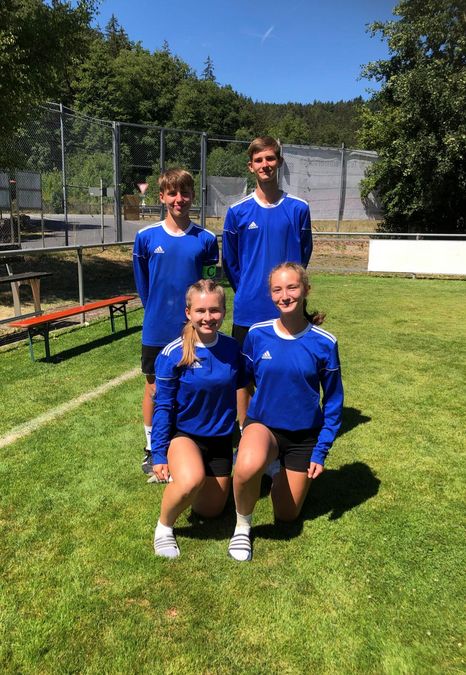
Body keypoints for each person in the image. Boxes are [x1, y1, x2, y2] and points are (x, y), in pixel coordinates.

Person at [227, 263, 344, 562]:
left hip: (303, 436)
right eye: (277, 289)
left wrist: (321, 450)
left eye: (292, 287)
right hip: (264, 426)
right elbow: (243, 381)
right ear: (270, 294)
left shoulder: (325, 343)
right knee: (246, 466)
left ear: (305, 290)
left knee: (287, 515)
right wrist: (244, 426)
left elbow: (333, 401)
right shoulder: (257, 334)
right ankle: (242, 527)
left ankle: (277, 468)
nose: (285, 295)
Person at [133, 169, 219, 480]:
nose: (179, 199)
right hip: (157, 327)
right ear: (162, 197)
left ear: (193, 196)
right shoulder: (146, 237)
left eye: (184, 193)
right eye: (172, 193)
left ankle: (188, 443)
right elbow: (143, 285)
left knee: (192, 383)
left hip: (193, 329)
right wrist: (157, 311)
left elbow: (210, 285)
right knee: (155, 388)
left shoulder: (206, 239)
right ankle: (150, 447)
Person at [151, 279, 247, 558]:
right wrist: (159, 453)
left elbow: (244, 386)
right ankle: (164, 527)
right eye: (201, 310)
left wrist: (245, 430)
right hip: (186, 435)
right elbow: (163, 407)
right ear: (188, 313)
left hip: (220, 440)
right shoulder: (173, 353)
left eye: (214, 310)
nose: (208, 317)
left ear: (224, 312)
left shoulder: (232, 348)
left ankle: (190, 478)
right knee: (190, 481)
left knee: (211, 511)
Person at [222, 136, 313, 427]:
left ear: (279, 162)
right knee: (244, 376)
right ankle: (246, 431)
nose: (265, 165)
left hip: (287, 307)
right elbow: (231, 262)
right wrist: (248, 289)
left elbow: (304, 254)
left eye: (270, 158)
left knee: (286, 370)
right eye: (259, 160)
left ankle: (283, 430)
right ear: (251, 166)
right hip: (249, 308)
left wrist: (290, 291)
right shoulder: (237, 212)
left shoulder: (299, 208)